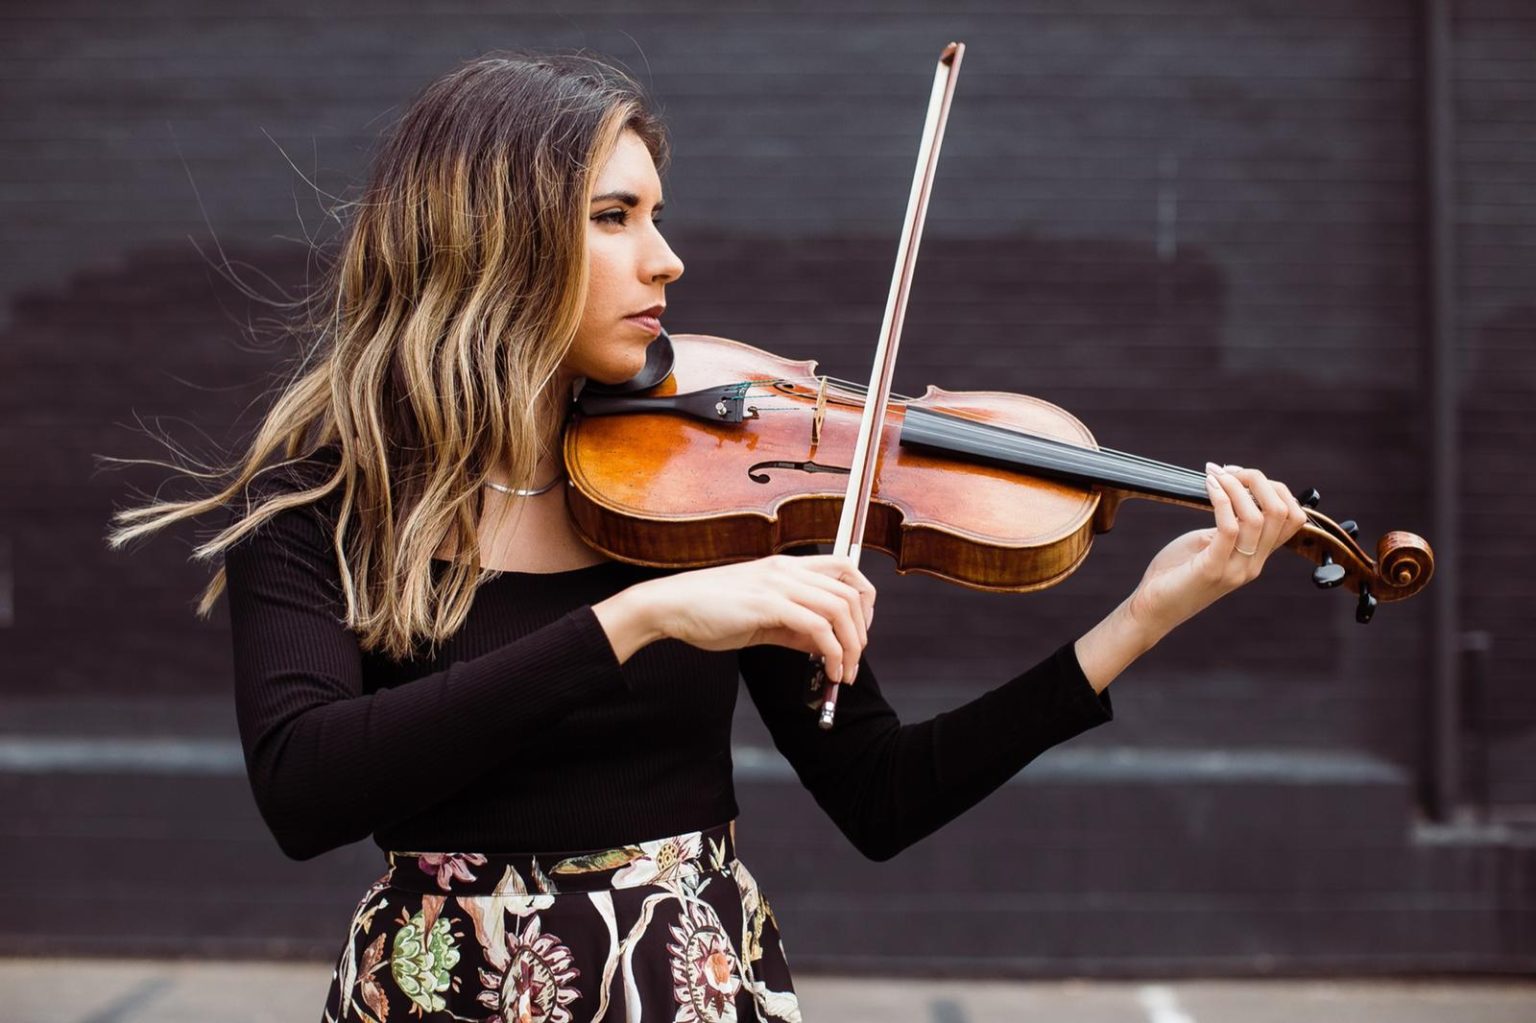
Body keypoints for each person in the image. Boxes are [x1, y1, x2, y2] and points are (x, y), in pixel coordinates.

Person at [105, 52, 1305, 1023]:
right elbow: (306, 789)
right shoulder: (323, 508)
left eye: (658, 216)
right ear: (490, 239)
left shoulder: (703, 487)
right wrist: (636, 620)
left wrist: (1143, 616)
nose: (666, 259)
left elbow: (883, 796)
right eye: (614, 217)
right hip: (446, 997)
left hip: (690, 985)